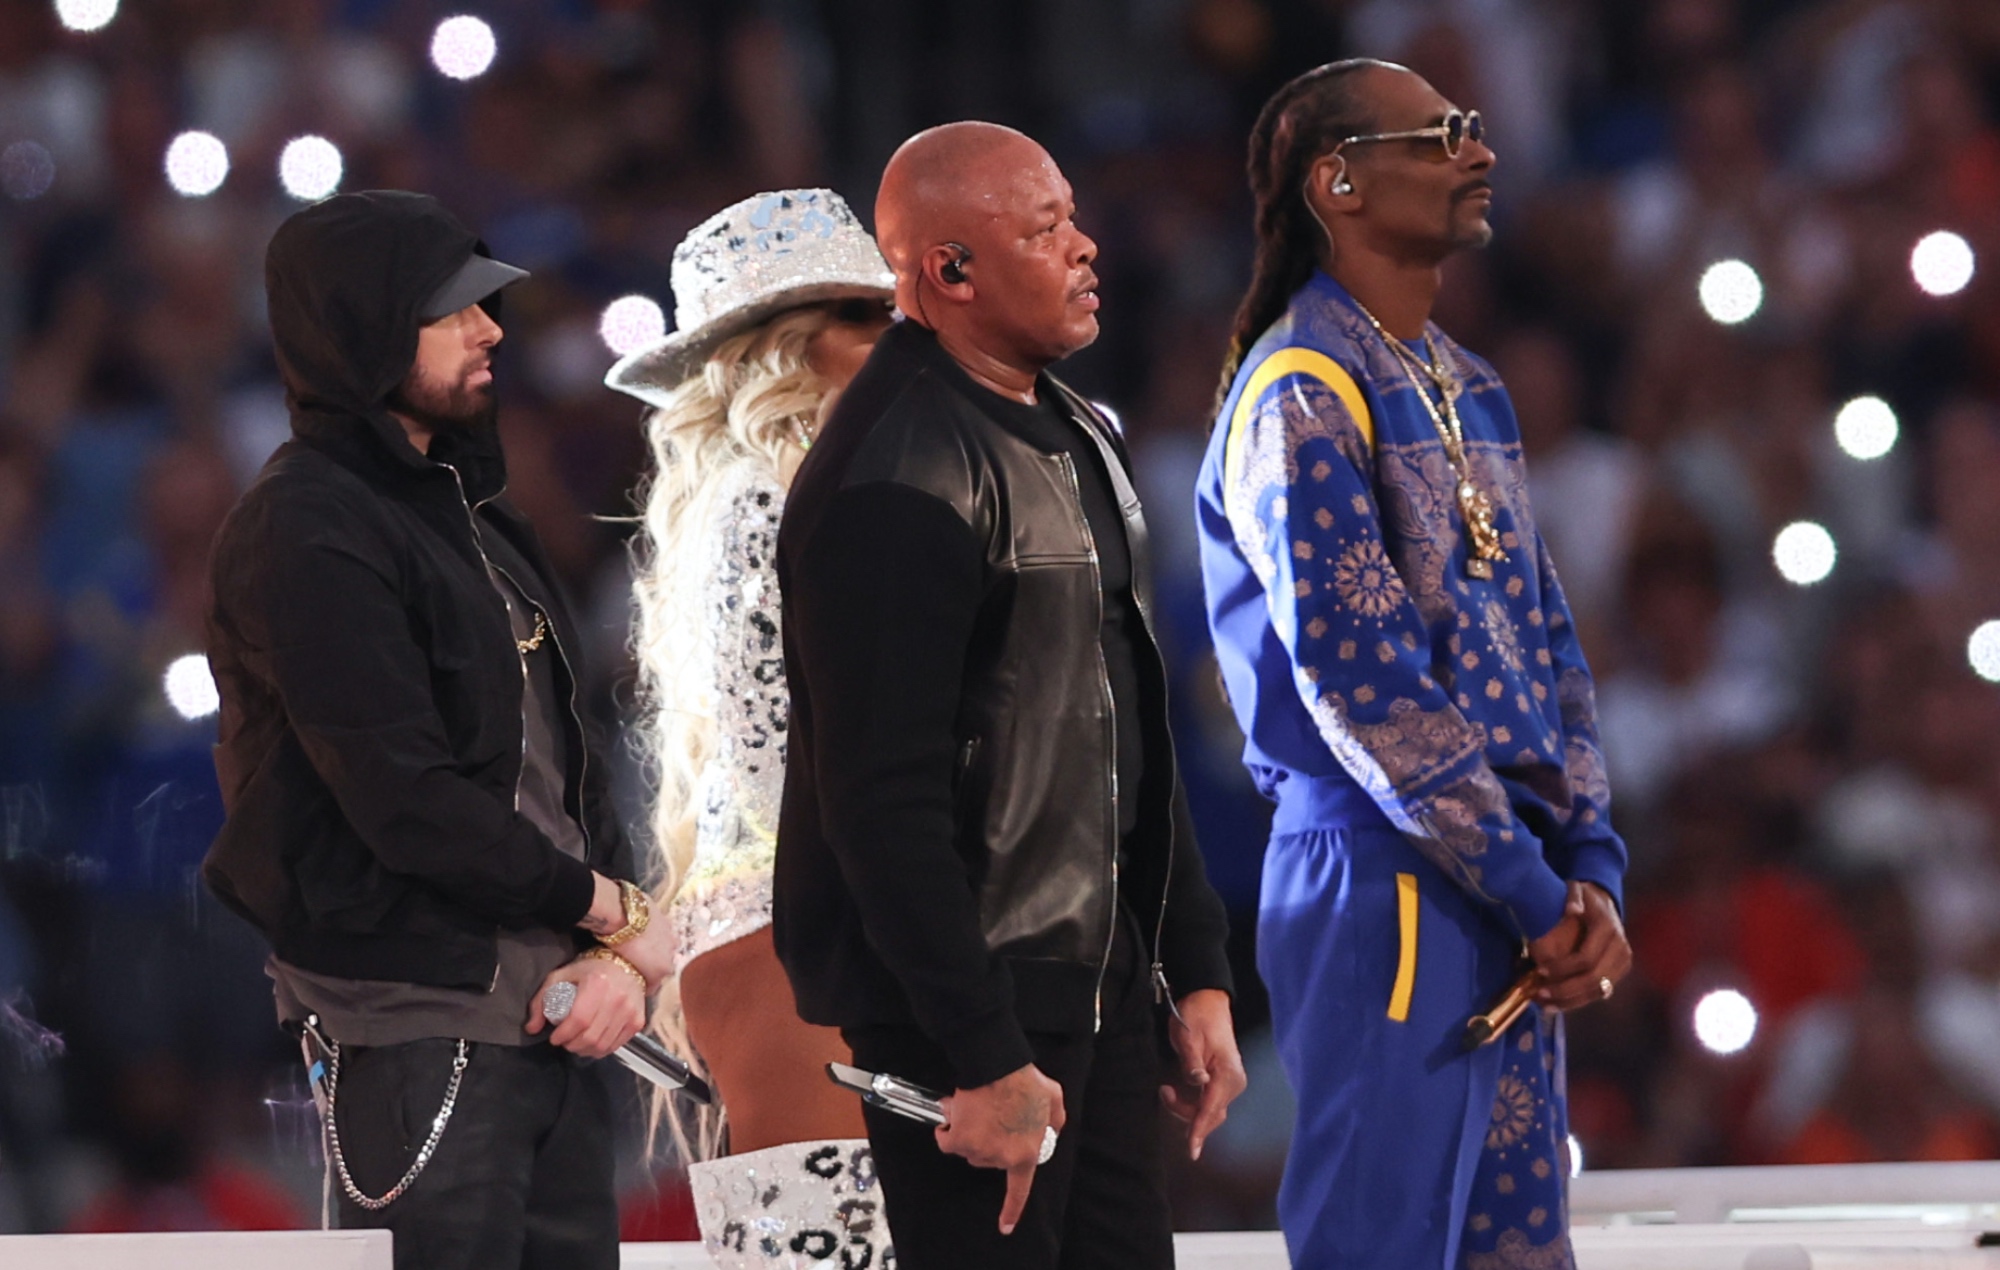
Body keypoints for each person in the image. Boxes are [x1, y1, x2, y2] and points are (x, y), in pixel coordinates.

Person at [773, 121, 1247, 1269]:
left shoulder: (1078, 429)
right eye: (1046, 229)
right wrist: (977, 1048)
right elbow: (877, 800)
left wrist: (1193, 967)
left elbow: (1132, 728)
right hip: (966, 1007)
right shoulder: (893, 471)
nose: (1086, 248)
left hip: (1097, 981)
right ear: (948, 271)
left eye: (1073, 217)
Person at [1195, 61, 1633, 1270]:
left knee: (1513, 1248)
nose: (1479, 150)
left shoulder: (1468, 382)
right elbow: (1357, 682)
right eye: (1443, 134)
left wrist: (1586, 859)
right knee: (1378, 1248)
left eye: (1479, 128)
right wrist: (1537, 890)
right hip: (1380, 872)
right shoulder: (1299, 388)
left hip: (1507, 883)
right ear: (1336, 180)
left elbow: (1550, 644)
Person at [203, 190, 676, 1270]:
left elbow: (571, 759)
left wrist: (608, 943)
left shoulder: (476, 512)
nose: (491, 328)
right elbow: (404, 799)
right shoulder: (306, 525)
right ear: (363, 325)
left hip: (547, 1012)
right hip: (416, 1014)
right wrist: (612, 905)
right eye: (452, 309)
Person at [606, 188, 899, 1268]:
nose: (896, 337)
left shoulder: (785, 492)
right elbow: (792, 759)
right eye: (862, 318)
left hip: (818, 936)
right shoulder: (763, 503)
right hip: (809, 941)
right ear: (779, 346)